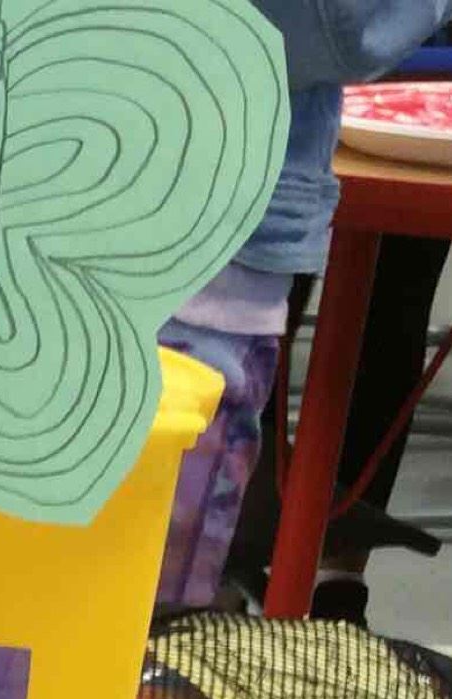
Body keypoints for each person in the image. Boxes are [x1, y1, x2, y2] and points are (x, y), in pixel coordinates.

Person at [156, 0, 452, 610]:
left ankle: (315, 580)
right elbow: (345, 19)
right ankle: (250, 585)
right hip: (200, 210)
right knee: (147, 602)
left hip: (114, 167)